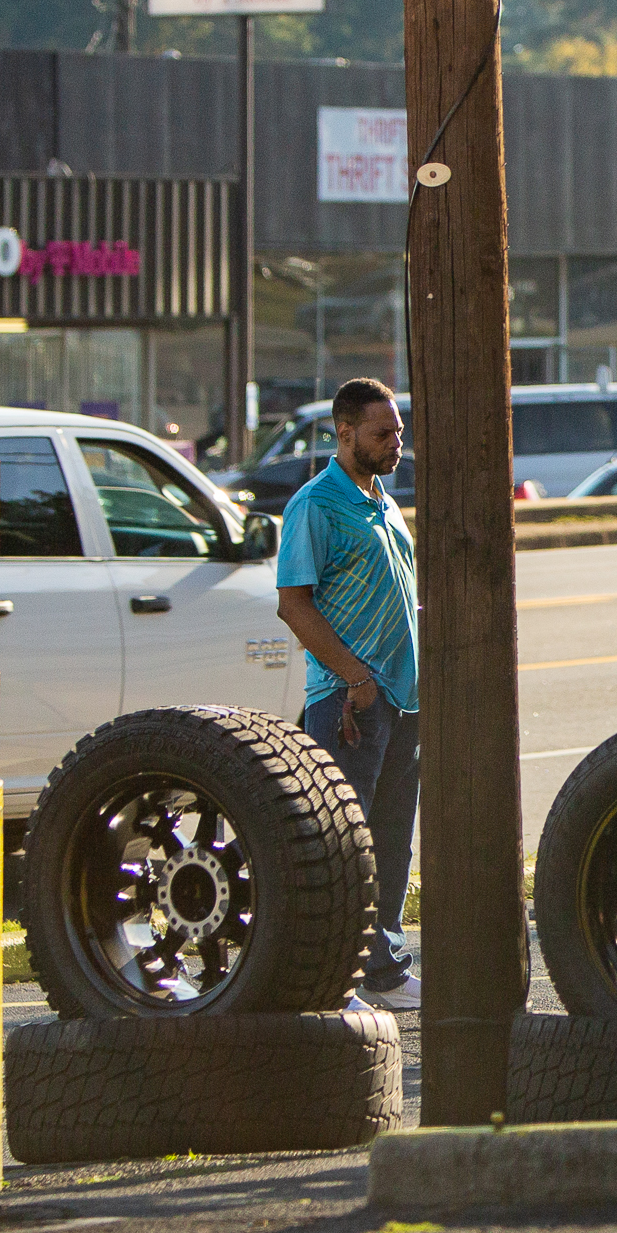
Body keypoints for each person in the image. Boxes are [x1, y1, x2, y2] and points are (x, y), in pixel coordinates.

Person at [273, 377, 423, 1013]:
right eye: (383, 433)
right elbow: (293, 605)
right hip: (348, 704)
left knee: (389, 837)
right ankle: (339, 976)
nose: (396, 443)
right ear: (345, 433)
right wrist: (356, 680)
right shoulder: (316, 505)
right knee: (343, 842)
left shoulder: (382, 499)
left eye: (398, 431)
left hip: (403, 698)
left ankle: (381, 969)